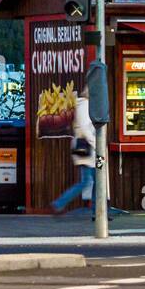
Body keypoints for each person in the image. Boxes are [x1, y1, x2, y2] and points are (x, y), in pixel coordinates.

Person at [52, 83, 98, 216]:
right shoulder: (84, 105)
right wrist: (96, 143)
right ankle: (59, 203)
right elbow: (84, 127)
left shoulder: (87, 104)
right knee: (87, 180)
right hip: (87, 148)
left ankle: (97, 211)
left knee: (98, 179)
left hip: (93, 149)